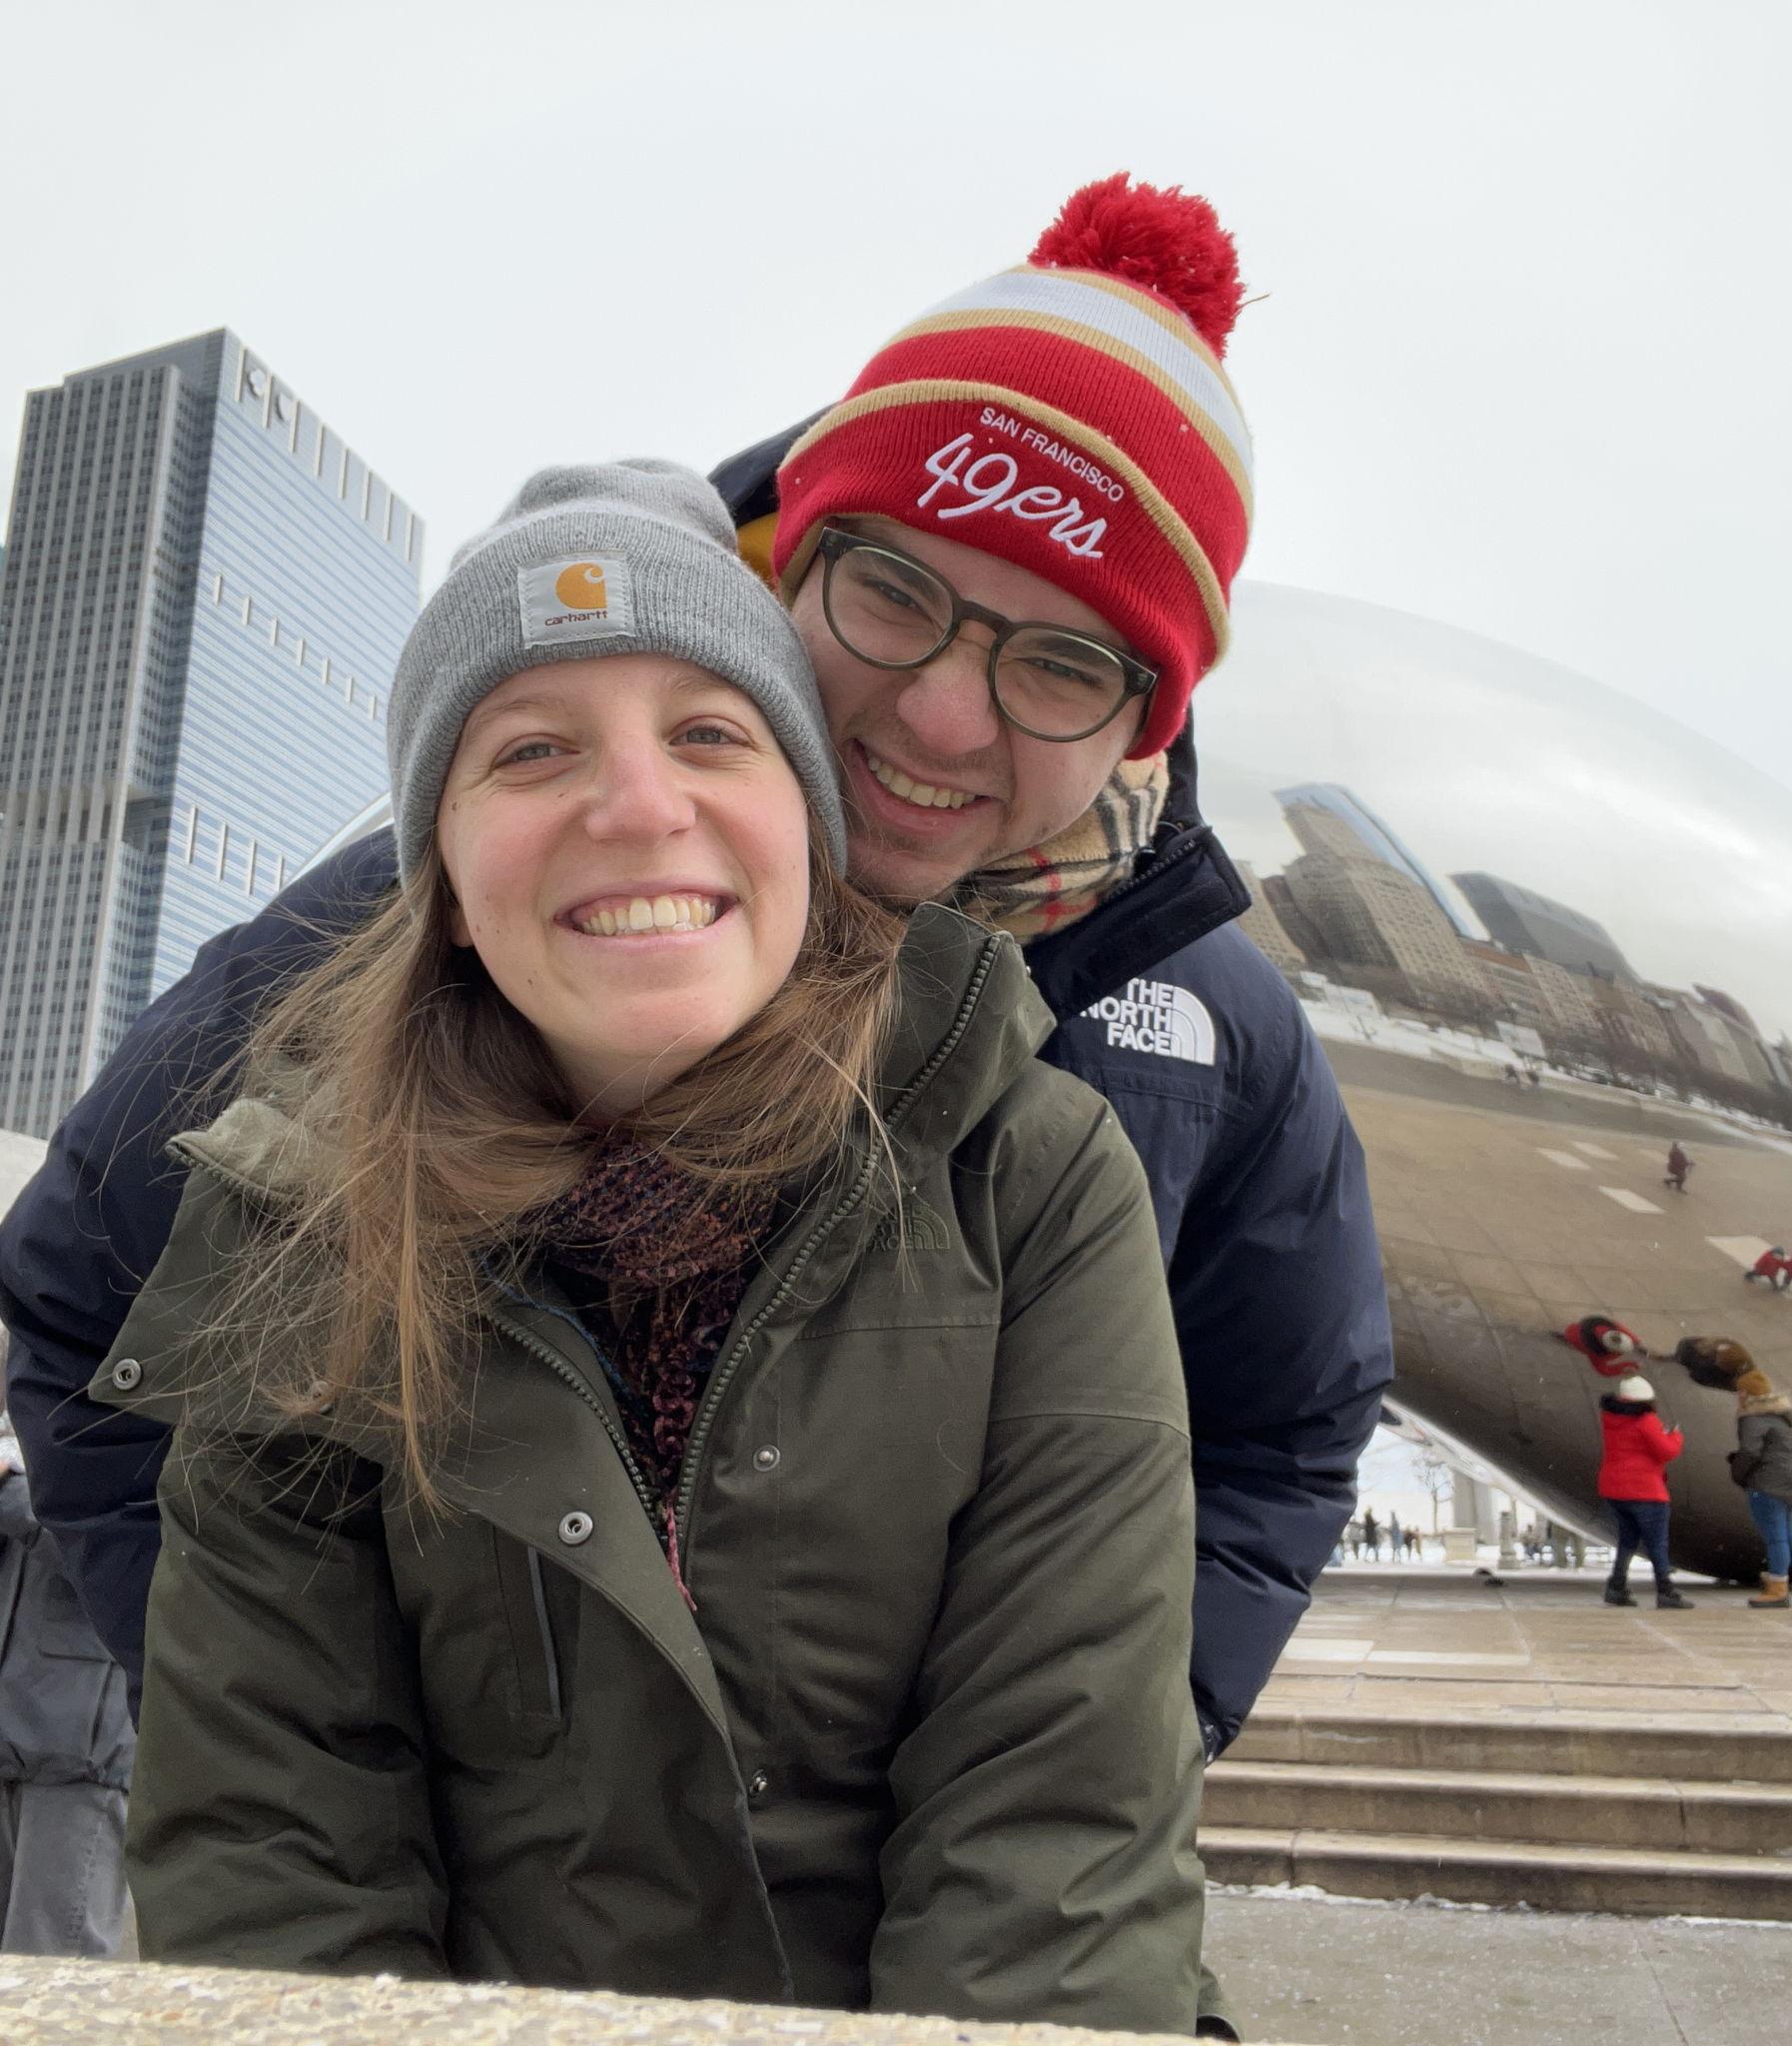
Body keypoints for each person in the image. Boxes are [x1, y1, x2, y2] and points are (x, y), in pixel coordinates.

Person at [0, 176, 1392, 1769]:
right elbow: (88, 1293)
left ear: (1142, 717)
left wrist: (1126, 1754)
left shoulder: (1206, 1020)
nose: (942, 720)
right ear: (791, 558)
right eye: (892, 592)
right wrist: (305, 1782)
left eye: (1064, 659)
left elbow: (1277, 1421)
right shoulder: (472, 896)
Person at [83, 466, 1204, 2026]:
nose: (635, 806)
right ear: (448, 885)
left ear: (804, 826)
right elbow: (281, 1858)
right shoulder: (304, 1222)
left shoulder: (1025, 1175)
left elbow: (1052, 1820)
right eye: (532, 750)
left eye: (708, 734)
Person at [1, 1396, 133, 1957]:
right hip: (16, 1732)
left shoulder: (139, 1422)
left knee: (54, 1965)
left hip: (80, 1752)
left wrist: (11, 1488)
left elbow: (117, 1542)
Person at [1728, 1374, 1792, 1608]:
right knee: (1789, 1535)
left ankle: (1777, 1589)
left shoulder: (1753, 1418)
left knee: (1775, 1538)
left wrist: (1738, 1473)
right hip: (1790, 1484)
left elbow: (1750, 1452)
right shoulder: (1781, 1418)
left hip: (1767, 1484)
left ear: (1745, 1394)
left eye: (1739, 1392)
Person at [1595, 1374, 1692, 1610]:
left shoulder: (1610, 1417)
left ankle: (1616, 1587)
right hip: (1645, 1491)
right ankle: (1665, 1590)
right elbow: (1666, 1452)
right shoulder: (1646, 1420)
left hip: (1615, 1489)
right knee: (1657, 1543)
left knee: (1627, 1540)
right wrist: (1675, 1435)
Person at [1554, 1313, 1643, 1377]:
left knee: (1570, 1339)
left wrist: (1635, 1341)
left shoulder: (1602, 1327)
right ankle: (1565, 1339)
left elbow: (1619, 1328)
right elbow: (1605, 1370)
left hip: (1573, 1333)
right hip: (1576, 1341)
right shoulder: (1598, 1355)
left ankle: (1563, 1338)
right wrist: (1631, 1365)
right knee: (1572, 1342)